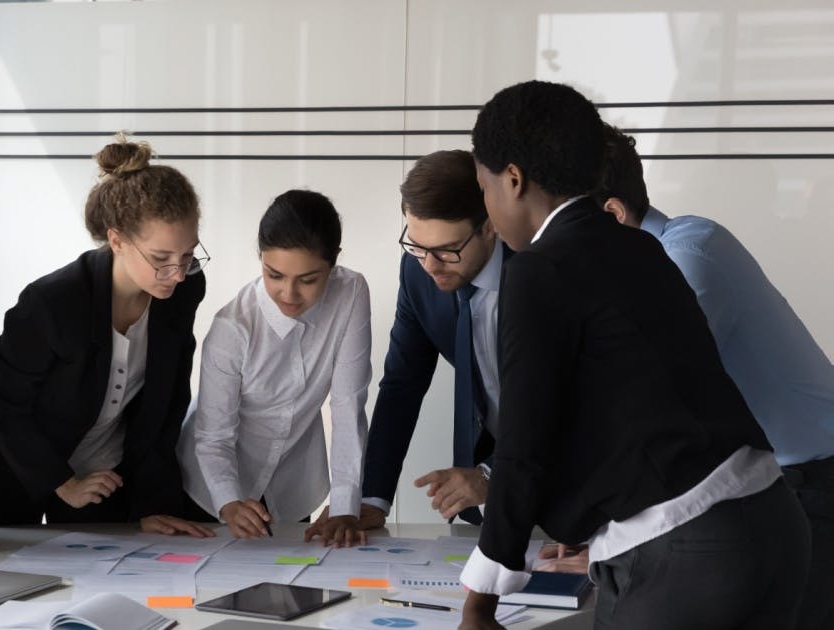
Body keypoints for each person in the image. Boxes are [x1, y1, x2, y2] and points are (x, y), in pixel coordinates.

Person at [460, 80, 810, 630]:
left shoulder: (538, 269)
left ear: (512, 179)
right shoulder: (640, 246)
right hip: (773, 523)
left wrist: (480, 599)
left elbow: (526, 439)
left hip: (686, 550)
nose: (488, 208)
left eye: (483, 188)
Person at [588, 123, 834, 629]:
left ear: (612, 214)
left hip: (813, 485)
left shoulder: (687, 256)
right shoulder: (651, 263)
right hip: (776, 485)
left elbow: (643, 405)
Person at [0, 138, 212, 538]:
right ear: (116, 241)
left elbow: (165, 404)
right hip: (14, 466)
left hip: (103, 470)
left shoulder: (183, 291)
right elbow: (5, 409)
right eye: (161, 258)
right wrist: (63, 483)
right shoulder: (52, 303)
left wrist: (150, 504)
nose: (178, 273)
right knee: (13, 584)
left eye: (187, 255)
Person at [327, 150, 513, 531]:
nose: (430, 265)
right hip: (488, 498)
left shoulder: (537, 272)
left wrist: (492, 475)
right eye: (416, 245)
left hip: (567, 485)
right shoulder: (417, 272)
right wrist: (371, 498)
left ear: (489, 226)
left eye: (447, 249)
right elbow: (402, 384)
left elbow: (572, 401)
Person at [177, 190, 372, 546]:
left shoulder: (351, 292)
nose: (289, 294)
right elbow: (214, 435)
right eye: (274, 275)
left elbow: (348, 406)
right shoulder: (232, 327)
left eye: (309, 279)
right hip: (212, 487)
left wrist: (345, 507)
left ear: (334, 262)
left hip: (292, 484)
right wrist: (228, 502)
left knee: (293, 587)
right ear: (261, 259)